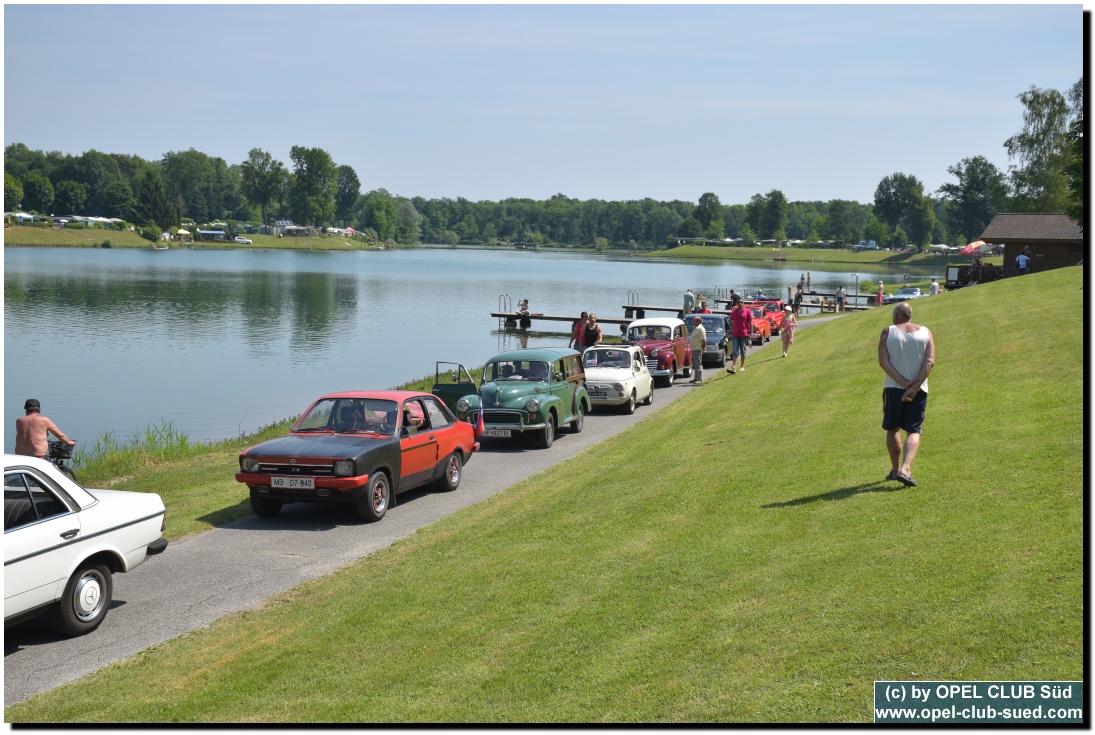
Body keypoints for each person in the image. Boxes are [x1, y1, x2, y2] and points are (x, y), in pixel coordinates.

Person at [877, 302, 935, 488]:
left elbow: (884, 362)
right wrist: (914, 387)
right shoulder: (926, 333)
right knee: (914, 429)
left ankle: (895, 471)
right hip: (919, 390)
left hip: (893, 389)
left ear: (895, 316)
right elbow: (930, 363)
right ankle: (906, 469)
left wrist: (903, 383)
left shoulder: (888, 332)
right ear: (910, 315)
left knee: (893, 429)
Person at [727, 295, 751, 374]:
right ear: (736, 304)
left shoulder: (747, 311)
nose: (740, 303)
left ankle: (742, 366)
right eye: (738, 302)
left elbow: (750, 323)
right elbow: (732, 321)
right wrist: (731, 330)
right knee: (735, 350)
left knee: (743, 350)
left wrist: (751, 333)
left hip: (744, 334)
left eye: (741, 302)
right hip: (735, 334)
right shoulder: (734, 311)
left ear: (743, 303)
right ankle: (733, 367)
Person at [688, 316, 706, 383]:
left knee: (698, 364)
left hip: (697, 349)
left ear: (698, 321)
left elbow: (703, 340)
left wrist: (703, 348)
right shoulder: (696, 328)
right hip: (694, 348)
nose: (693, 322)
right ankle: (696, 378)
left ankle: (699, 379)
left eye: (694, 321)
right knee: (695, 364)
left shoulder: (700, 329)